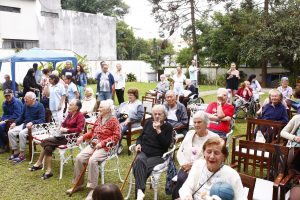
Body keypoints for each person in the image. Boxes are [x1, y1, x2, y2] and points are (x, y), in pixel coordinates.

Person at [67, 99, 120, 199]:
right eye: (99, 107)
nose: (98, 109)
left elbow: (117, 136)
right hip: (94, 144)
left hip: (106, 147)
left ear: (108, 110)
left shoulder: (114, 120)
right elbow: (92, 132)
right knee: (79, 157)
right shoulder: (99, 118)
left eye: (101, 107)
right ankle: (78, 184)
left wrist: (102, 143)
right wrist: (83, 137)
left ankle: (93, 189)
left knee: (93, 160)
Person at [29, 99, 85, 179]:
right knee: (48, 147)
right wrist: (62, 127)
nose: (69, 105)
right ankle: (49, 171)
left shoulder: (80, 116)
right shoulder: (70, 114)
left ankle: (39, 162)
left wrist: (67, 130)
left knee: (45, 141)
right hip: (62, 136)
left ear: (77, 107)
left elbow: (79, 129)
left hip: (71, 138)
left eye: (71, 105)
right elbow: (64, 123)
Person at [179, 137, 245, 200]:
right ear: (204, 153)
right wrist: (187, 196)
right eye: (209, 152)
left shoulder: (232, 175)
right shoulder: (198, 165)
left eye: (216, 153)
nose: (212, 156)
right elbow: (187, 187)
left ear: (224, 157)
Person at [172, 111, 219, 199]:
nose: (196, 125)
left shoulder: (213, 137)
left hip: (203, 169)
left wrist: (193, 165)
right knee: (182, 178)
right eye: (195, 122)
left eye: (199, 122)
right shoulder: (190, 133)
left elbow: (214, 158)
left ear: (206, 123)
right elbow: (180, 151)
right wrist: (184, 164)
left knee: (185, 180)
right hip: (185, 166)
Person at [133, 104, 173, 200]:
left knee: (139, 167)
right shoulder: (147, 123)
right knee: (139, 161)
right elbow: (140, 137)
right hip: (144, 152)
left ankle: (139, 193)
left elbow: (166, 145)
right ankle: (140, 192)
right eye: (155, 114)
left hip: (158, 156)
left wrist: (158, 130)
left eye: (160, 114)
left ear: (165, 115)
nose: (157, 116)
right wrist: (138, 144)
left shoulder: (168, 127)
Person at [8, 92, 45, 163]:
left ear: (33, 99)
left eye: (26, 99)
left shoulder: (40, 106)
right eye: (24, 98)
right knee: (10, 132)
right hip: (25, 124)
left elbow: (42, 120)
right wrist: (15, 123)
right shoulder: (25, 105)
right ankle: (16, 152)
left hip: (35, 127)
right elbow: (21, 117)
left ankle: (22, 154)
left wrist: (32, 122)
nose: (24, 100)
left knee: (22, 133)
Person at [116, 88, 144, 153]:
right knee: (113, 127)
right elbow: (123, 113)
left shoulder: (139, 104)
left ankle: (117, 147)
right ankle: (114, 145)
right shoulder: (127, 103)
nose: (129, 96)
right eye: (128, 94)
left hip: (133, 123)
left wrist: (130, 119)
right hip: (123, 120)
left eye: (131, 95)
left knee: (119, 128)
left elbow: (140, 116)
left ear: (135, 95)